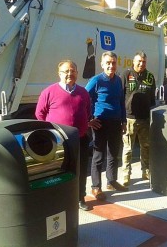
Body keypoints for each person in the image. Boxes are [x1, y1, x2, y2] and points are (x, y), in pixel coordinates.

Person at [35, 60, 91, 211]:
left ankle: (80, 198)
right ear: (59, 74)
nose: (69, 74)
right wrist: (51, 132)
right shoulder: (49, 92)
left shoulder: (83, 92)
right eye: (66, 71)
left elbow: (88, 112)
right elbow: (39, 114)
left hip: (80, 139)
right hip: (58, 141)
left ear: (77, 73)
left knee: (80, 170)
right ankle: (58, 199)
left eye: (72, 71)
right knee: (58, 170)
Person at [85, 51, 128, 201]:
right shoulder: (96, 81)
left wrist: (123, 121)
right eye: (108, 63)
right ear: (102, 64)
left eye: (113, 63)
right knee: (98, 156)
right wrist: (89, 119)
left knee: (113, 154)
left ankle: (111, 181)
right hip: (100, 123)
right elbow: (84, 98)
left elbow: (121, 102)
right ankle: (95, 187)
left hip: (116, 122)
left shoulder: (118, 81)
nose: (111, 65)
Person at [120, 51, 156, 186]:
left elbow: (152, 98)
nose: (141, 64)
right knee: (128, 148)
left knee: (146, 146)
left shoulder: (150, 76)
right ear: (133, 61)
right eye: (139, 61)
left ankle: (145, 171)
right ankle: (126, 175)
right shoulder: (126, 74)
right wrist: (122, 117)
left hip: (145, 119)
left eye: (144, 62)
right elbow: (120, 96)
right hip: (129, 118)